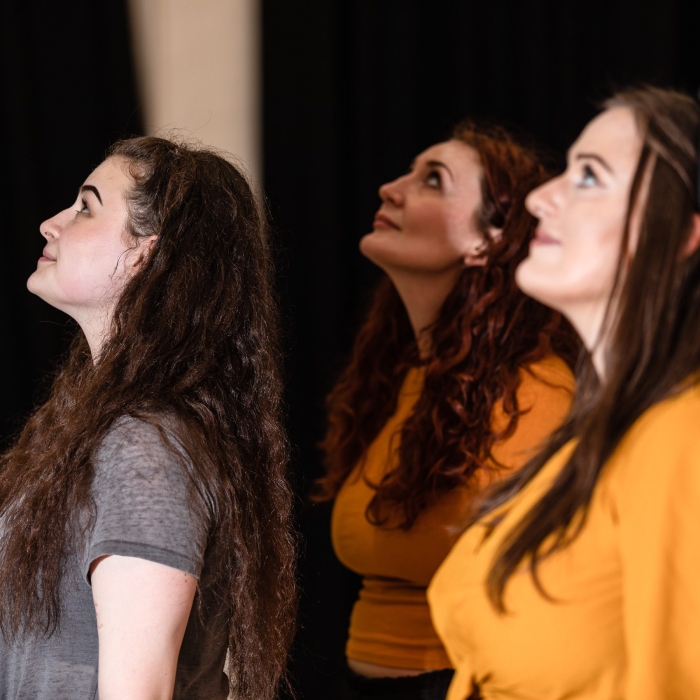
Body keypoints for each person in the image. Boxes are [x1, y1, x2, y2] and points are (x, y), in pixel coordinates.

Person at [428, 86, 700, 700]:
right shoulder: (592, 436)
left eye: (590, 177)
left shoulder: (682, 434)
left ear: (681, 234)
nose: (540, 197)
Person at [0, 137, 296, 700]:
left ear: (145, 254)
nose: (50, 223)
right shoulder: (102, 426)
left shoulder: (145, 448)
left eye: (86, 207)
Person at [314, 123, 579, 700]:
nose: (390, 188)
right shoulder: (403, 379)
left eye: (433, 180)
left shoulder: (535, 394)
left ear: (488, 238)